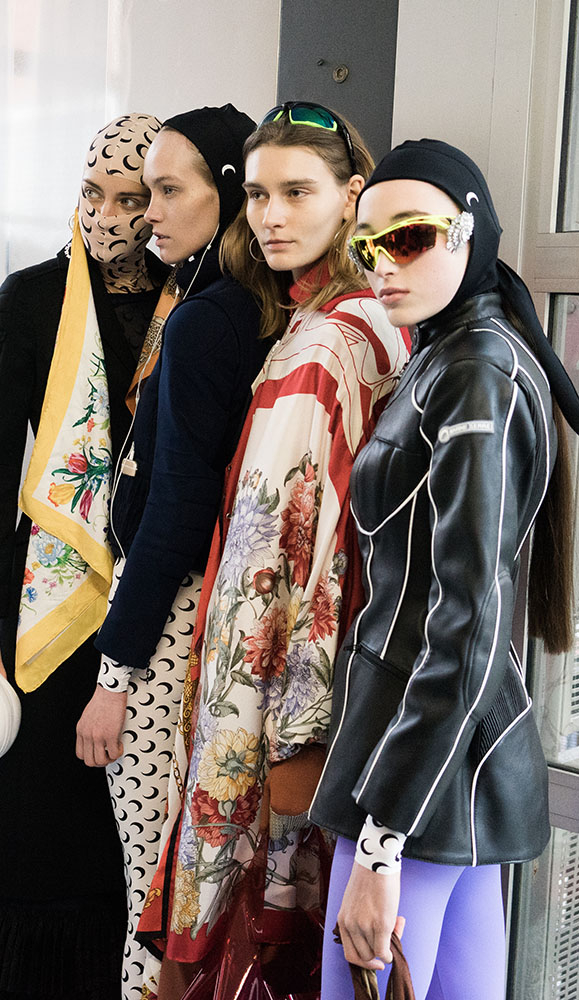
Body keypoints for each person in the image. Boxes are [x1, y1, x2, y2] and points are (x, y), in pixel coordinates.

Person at [136, 103, 408, 997]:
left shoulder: (330, 339)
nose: (271, 216)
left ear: (352, 196)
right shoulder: (349, 320)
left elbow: (293, 562)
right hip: (288, 684)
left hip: (272, 694)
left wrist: (282, 731)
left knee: (244, 934)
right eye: (257, 194)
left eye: (298, 191)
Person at [310, 138, 579, 1000]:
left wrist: (383, 842)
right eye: (365, 245)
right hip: (448, 758)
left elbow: (464, 618)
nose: (380, 265)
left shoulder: (473, 371)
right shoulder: (453, 356)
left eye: (410, 238)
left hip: (417, 772)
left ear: (470, 234)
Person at [0, 113, 169, 1000]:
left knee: (124, 838)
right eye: (91, 192)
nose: (106, 215)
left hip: (157, 601)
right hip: (46, 606)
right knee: (27, 829)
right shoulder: (32, 296)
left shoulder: (198, 303)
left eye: (133, 197)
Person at [74, 104, 271, 997]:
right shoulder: (219, 301)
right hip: (211, 625)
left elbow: (176, 509)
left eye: (165, 190)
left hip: (171, 627)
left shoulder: (206, 318)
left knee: (154, 889)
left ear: (224, 195)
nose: (148, 211)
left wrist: (116, 677)